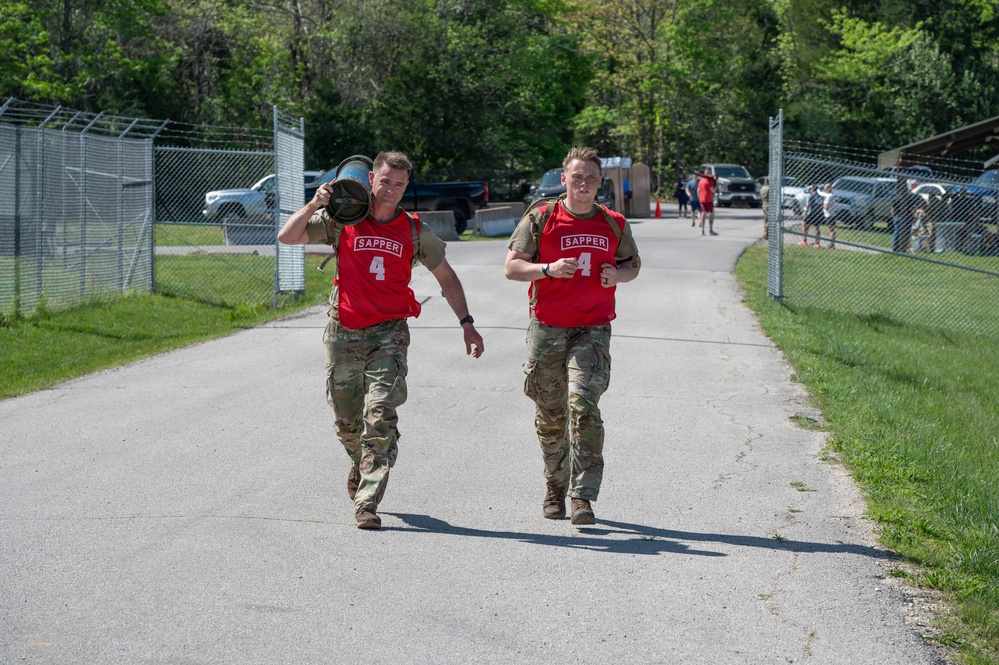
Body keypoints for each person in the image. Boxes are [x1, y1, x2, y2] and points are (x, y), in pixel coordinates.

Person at [277, 151, 485, 530]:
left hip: (389, 333)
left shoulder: (414, 230)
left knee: (381, 413)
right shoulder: (344, 217)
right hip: (343, 332)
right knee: (346, 421)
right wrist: (314, 203)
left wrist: (467, 323)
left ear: (407, 187)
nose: (391, 190)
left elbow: (447, 277)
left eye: (400, 184)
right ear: (372, 178)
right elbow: (287, 236)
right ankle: (361, 461)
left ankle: (367, 501)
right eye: (385, 181)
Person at [503, 147, 641, 525]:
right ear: (564, 179)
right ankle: (554, 485)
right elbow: (513, 268)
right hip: (547, 329)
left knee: (583, 406)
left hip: (592, 329)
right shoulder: (542, 217)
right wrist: (547, 269)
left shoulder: (613, 222)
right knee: (550, 415)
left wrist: (619, 275)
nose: (583, 183)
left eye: (591, 178)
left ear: (600, 182)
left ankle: (583, 496)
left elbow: (632, 264)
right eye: (576, 176)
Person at [890, 178, 923, 253]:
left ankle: (895, 247)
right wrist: (914, 212)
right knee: (906, 233)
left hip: (898, 216)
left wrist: (893, 217)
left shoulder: (897, 196)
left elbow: (892, 208)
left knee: (897, 231)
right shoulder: (910, 196)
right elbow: (917, 204)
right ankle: (903, 247)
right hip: (907, 217)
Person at [696, 169, 719, 235]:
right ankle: (710, 229)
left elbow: (698, 191)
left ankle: (702, 230)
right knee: (711, 214)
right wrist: (717, 185)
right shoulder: (708, 181)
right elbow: (713, 190)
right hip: (708, 199)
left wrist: (699, 198)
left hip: (702, 199)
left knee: (703, 213)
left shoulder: (700, 181)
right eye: (709, 173)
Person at [819, 182, 837, 248]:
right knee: (831, 229)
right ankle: (832, 243)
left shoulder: (829, 197)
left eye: (826, 188)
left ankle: (831, 244)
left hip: (829, 215)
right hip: (832, 214)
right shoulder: (831, 195)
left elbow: (826, 207)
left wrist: (823, 206)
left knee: (831, 230)